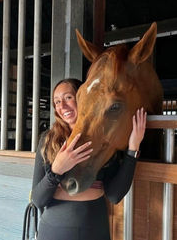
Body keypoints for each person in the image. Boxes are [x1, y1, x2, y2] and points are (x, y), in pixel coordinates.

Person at [32, 78, 147, 240]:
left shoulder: (104, 140)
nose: (62, 106)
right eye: (57, 102)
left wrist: (133, 149)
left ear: (83, 99)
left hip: (94, 228)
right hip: (53, 231)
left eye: (68, 98)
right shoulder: (49, 140)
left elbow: (115, 195)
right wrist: (57, 169)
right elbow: (37, 200)